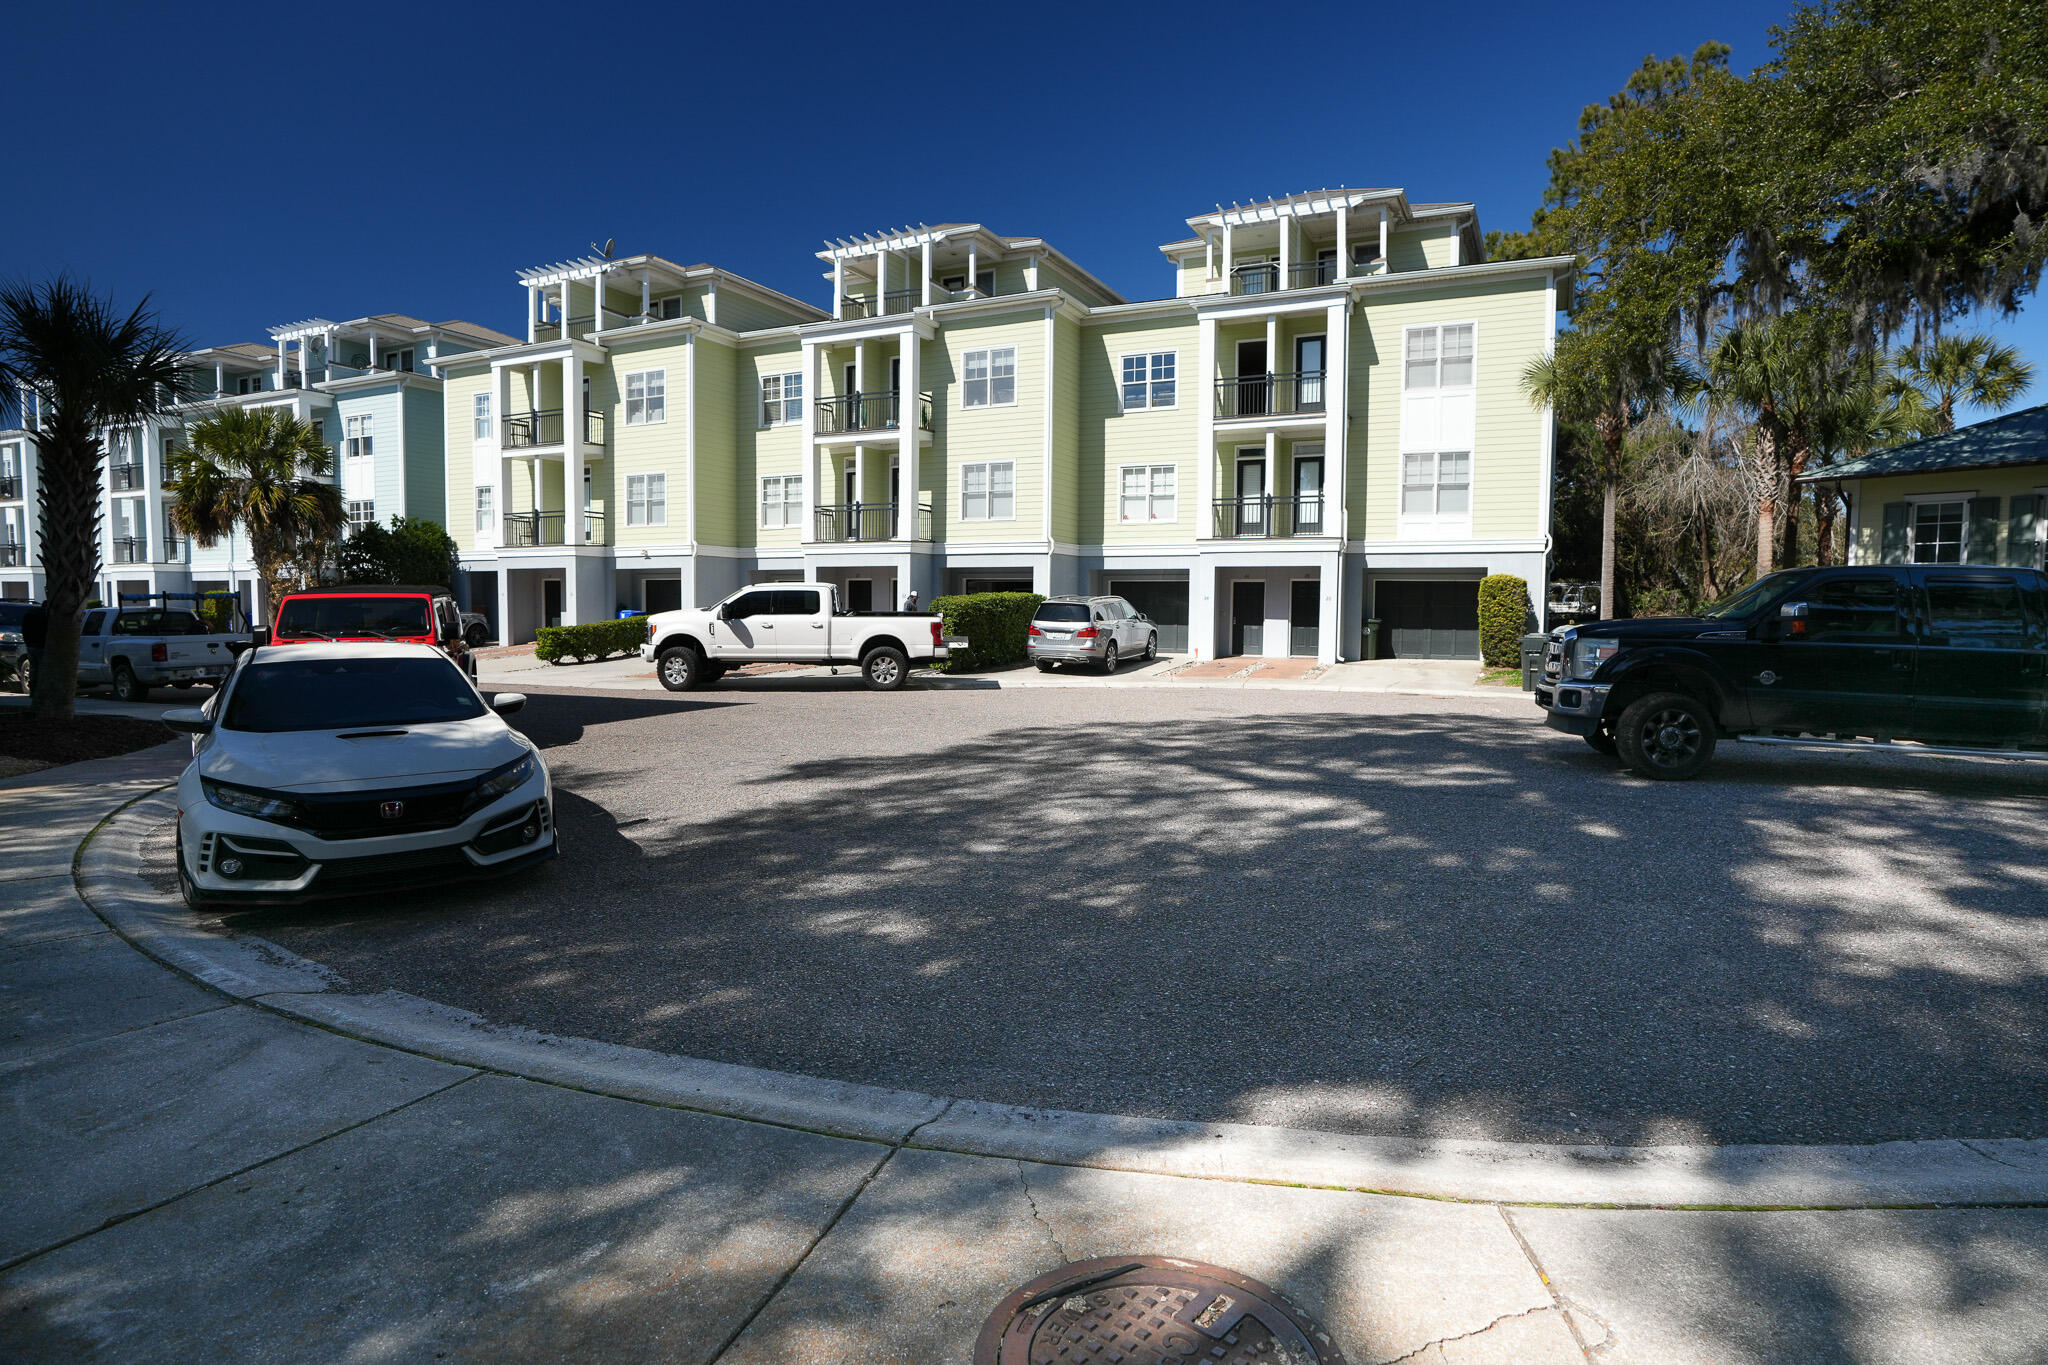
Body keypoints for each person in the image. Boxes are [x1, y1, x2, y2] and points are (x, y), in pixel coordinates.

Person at [21, 602, 47, 692]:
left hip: (30, 644)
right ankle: (40, 688)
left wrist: (27, 641)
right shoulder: (46, 616)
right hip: (41, 645)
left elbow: (24, 630)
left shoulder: (30, 615)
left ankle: (33, 687)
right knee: (42, 667)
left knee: (33, 667)